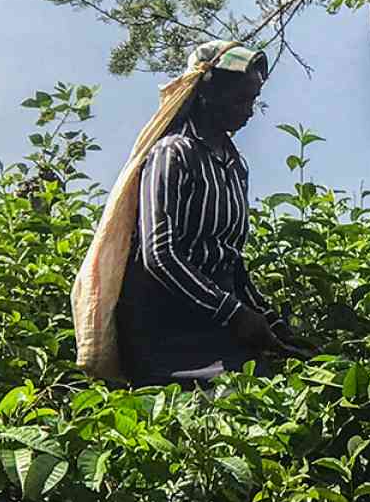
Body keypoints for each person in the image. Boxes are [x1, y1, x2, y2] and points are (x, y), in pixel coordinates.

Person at [115, 40, 298, 388]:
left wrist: (272, 322)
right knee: (239, 396)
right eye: (241, 98)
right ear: (207, 94)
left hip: (217, 316)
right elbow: (160, 255)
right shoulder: (173, 154)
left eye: (253, 100)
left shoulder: (233, 165)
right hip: (167, 322)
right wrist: (233, 313)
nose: (248, 110)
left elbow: (231, 260)